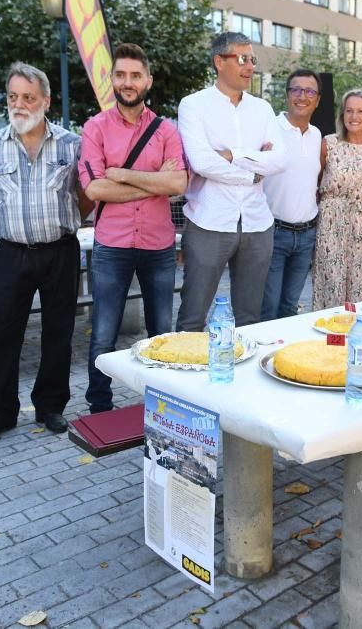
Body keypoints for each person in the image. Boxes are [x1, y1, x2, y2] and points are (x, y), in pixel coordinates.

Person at [0, 62, 92, 446]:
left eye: (28, 97)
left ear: (46, 100)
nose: (19, 104)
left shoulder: (72, 144)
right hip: (11, 253)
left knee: (59, 331)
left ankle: (50, 405)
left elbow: (85, 198)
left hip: (60, 251)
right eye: (13, 97)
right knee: (2, 333)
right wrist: (15, 224)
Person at [80, 43, 187, 413]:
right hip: (112, 245)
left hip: (158, 246)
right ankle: (99, 405)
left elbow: (178, 185)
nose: (128, 82)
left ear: (148, 80)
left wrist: (123, 175)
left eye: (135, 75)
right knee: (105, 334)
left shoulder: (165, 130)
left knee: (162, 332)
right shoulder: (95, 128)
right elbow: (94, 188)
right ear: (112, 79)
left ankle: (162, 405)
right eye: (121, 75)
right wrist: (154, 179)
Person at [176, 32, 288, 330]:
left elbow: (280, 160)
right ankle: (187, 375)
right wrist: (253, 169)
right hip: (209, 221)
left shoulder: (262, 109)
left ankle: (241, 374)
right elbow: (201, 162)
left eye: (252, 59)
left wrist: (231, 154)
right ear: (219, 62)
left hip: (257, 222)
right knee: (192, 316)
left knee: (251, 319)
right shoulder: (193, 105)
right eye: (242, 59)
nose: (250, 66)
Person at [312, 89, 362, 309]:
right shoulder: (329, 143)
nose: (354, 117)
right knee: (330, 280)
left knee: (361, 282)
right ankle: (327, 335)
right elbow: (315, 183)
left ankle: (357, 333)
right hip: (331, 219)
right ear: (342, 115)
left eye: (360, 111)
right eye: (349, 111)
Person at [261, 68, 322, 320]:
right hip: (274, 232)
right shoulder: (269, 128)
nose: (302, 96)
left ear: (317, 99)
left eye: (309, 91)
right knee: (268, 306)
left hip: (307, 235)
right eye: (296, 90)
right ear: (287, 95)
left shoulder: (317, 135)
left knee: (290, 307)